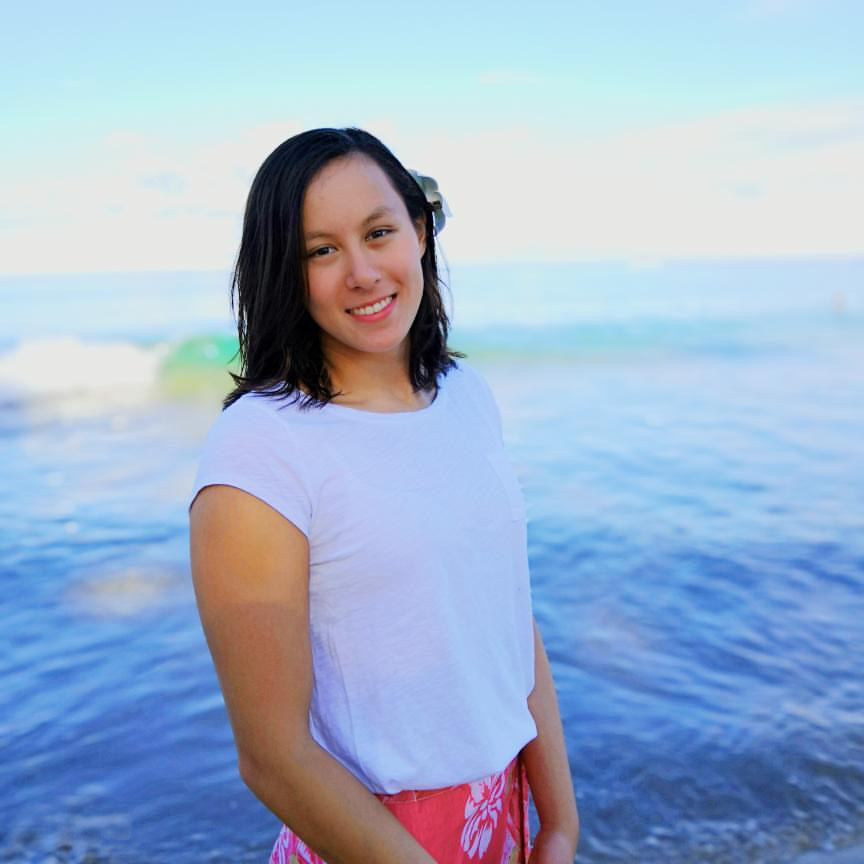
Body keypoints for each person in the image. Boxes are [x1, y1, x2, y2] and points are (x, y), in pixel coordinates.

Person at [187, 127, 580, 863]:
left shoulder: (466, 395)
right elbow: (273, 756)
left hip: (504, 813)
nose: (363, 272)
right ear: (283, 273)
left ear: (419, 232)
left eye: (378, 233)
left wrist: (560, 823)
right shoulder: (261, 447)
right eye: (320, 251)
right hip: (372, 839)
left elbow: (506, 618)